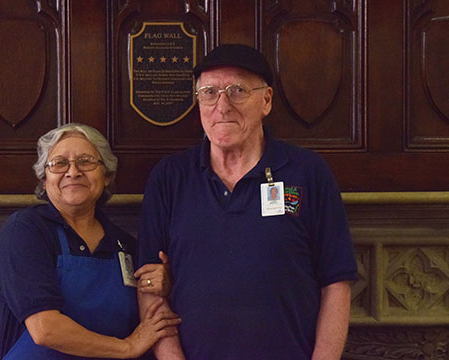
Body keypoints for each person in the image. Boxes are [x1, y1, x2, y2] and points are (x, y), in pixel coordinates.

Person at [137, 44, 358, 359]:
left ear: (266, 100)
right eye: (209, 93)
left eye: (237, 90)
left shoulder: (307, 172)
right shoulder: (170, 178)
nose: (222, 105)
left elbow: (336, 282)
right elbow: (149, 287)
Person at [0, 123, 180, 359]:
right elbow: (45, 329)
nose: (73, 172)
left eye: (86, 161)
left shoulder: (125, 245)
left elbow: (152, 318)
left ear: (107, 176)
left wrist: (167, 285)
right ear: (43, 179)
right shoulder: (25, 231)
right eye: (59, 163)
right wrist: (128, 347)